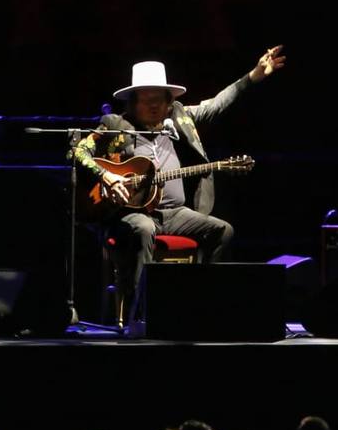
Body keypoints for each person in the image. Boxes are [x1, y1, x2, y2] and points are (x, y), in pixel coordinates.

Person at [74, 46, 285, 321]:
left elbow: (217, 104)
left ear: (168, 101)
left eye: (159, 100)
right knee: (144, 228)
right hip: (129, 215)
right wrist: (108, 176)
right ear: (134, 102)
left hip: (175, 214)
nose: (153, 106)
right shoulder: (115, 124)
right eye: (146, 99)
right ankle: (143, 316)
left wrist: (253, 76)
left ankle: (203, 303)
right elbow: (79, 151)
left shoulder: (179, 118)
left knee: (224, 231)